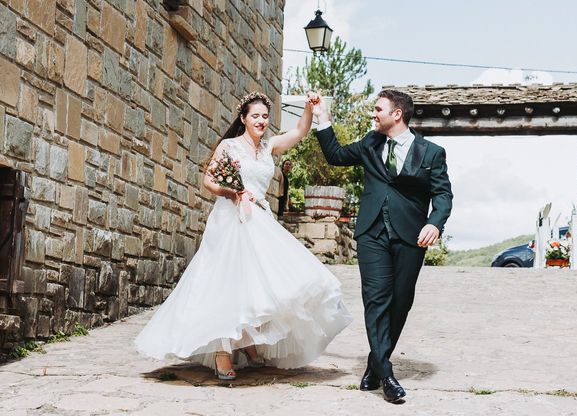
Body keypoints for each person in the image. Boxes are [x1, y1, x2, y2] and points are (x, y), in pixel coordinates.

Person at [135, 91, 352, 380]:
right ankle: (222, 351)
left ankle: (247, 341)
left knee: (262, 284)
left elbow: (300, 131)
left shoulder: (269, 147)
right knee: (227, 283)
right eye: (255, 116)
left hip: (260, 218)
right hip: (231, 218)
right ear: (243, 119)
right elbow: (209, 181)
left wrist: (310, 109)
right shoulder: (229, 146)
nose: (261, 121)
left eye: (264, 116)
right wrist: (233, 193)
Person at [314, 89, 453, 403]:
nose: (373, 114)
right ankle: (387, 375)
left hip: (411, 236)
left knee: (400, 301)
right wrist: (322, 118)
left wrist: (435, 222)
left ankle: (375, 363)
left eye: (378, 109)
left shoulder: (432, 152)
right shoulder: (369, 143)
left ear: (397, 114)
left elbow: (443, 195)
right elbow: (335, 156)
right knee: (375, 299)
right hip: (372, 232)